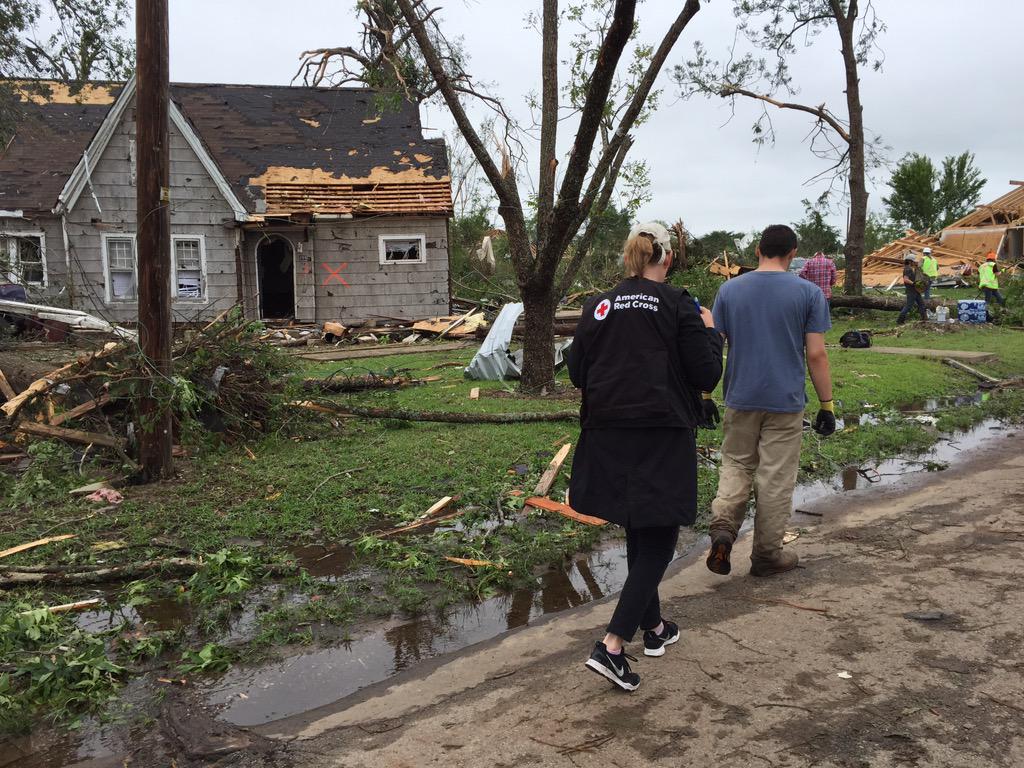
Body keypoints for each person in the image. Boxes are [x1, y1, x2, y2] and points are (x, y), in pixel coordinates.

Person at [567, 222, 723, 692]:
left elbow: (577, 372)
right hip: (660, 430)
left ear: (629, 255)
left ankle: (655, 630)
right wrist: (712, 331)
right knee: (659, 537)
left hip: (608, 432)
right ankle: (612, 646)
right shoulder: (679, 304)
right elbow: (707, 374)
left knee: (641, 525)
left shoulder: (599, 304)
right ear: (668, 258)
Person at [704, 224, 835, 579]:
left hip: (739, 397)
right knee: (775, 478)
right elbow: (817, 355)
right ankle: (765, 556)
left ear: (758, 249)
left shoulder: (729, 290)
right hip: (785, 400)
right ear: (793, 255)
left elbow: (713, 348)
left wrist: (705, 394)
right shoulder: (809, 293)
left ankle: (723, 529)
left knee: (736, 464)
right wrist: (827, 405)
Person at [897, 253, 927, 324]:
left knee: (921, 304)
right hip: (911, 290)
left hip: (915, 290)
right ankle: (899, 321)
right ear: (910, 261)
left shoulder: (910, 268)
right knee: (908, 306)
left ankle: (924, 319)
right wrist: (914, 283)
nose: (914, 262)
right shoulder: (907, 269)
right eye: (913, 261)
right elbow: (905, 279)